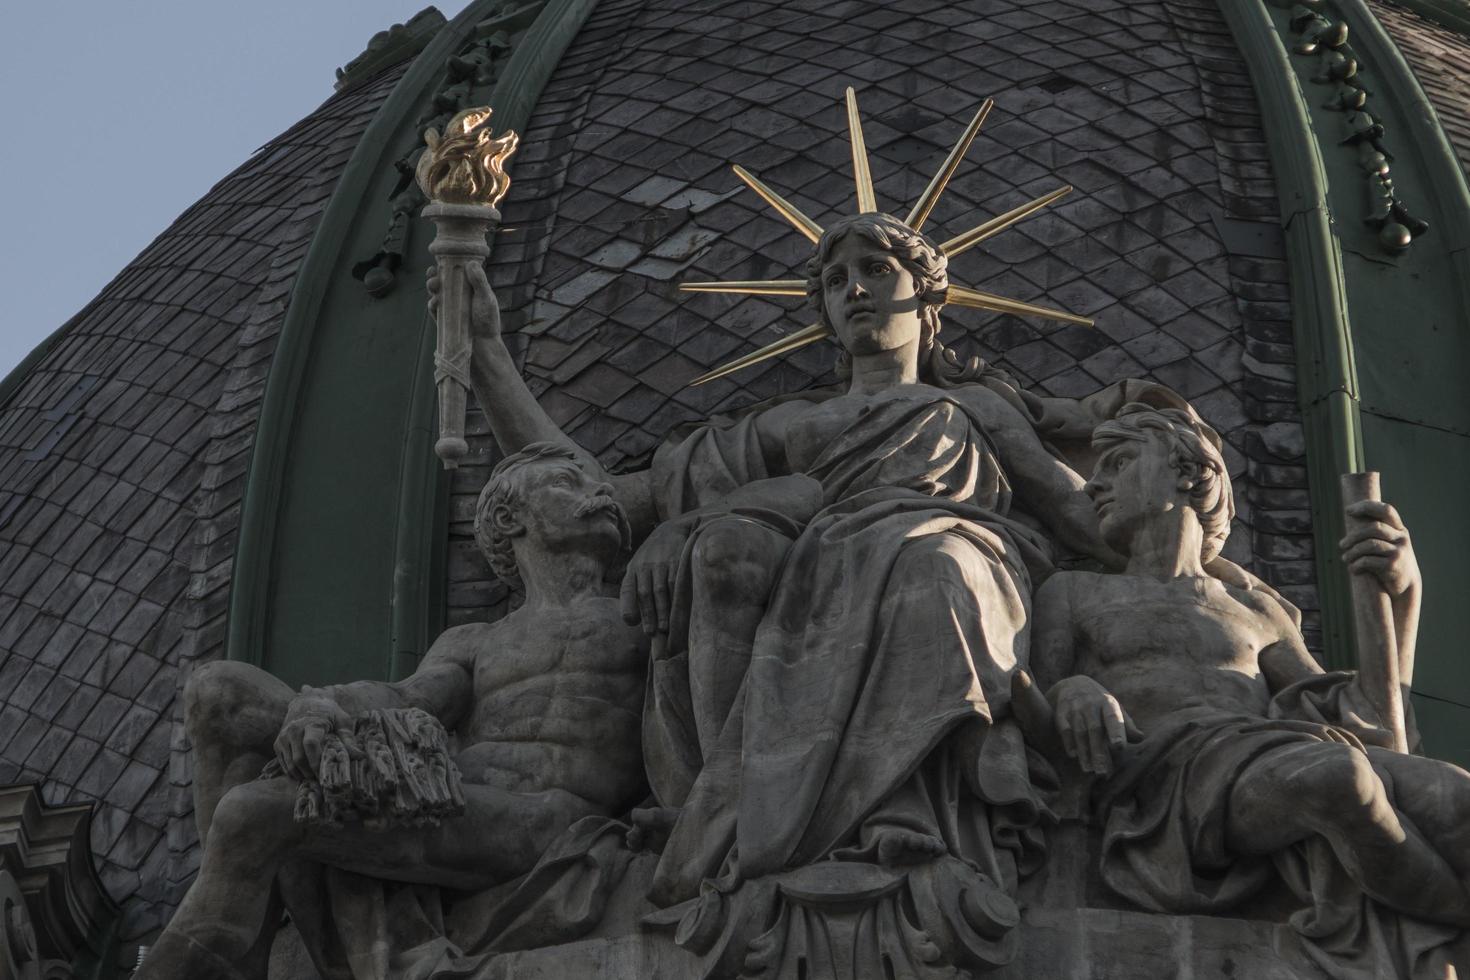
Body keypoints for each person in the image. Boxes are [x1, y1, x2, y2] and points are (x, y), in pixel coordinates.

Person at [453, 211, 1128, 916]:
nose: (855, 290)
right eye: (837, 280)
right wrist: (485, 353)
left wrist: (1184, 509)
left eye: (876, 271)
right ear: (825, 314)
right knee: (726, 550)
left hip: (948, 554)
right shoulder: (786, 427)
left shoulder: (974, 408)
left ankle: (920, 819)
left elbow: (1083, 518)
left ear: (928, 299)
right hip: (818, 571)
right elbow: (589, 498)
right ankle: (732, 813)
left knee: (937, 565)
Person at [138, 445, 649, 980]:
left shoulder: (636, 618)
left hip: (546, 819)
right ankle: (240, 952)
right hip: (446, 799)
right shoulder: (477, 641)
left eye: (599, 485)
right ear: (508, 517)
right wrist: (319, 705)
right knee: (217, 689)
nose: (604, 493)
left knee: (252, 812)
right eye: (571, 483)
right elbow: (407, 698)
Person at [1029, 404, 1469, 976]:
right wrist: (1073, 690)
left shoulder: (1255, 607)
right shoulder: (1074, 592)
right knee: (1341, 777)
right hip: (1167, 783)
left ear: (1186, 472)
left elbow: (1372, 720)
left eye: (1117, 463)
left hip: (1268, 753)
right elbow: (1037, 688)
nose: (1093, 485)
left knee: (1457, 794)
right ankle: (1452, 916)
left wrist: (1403, 595)